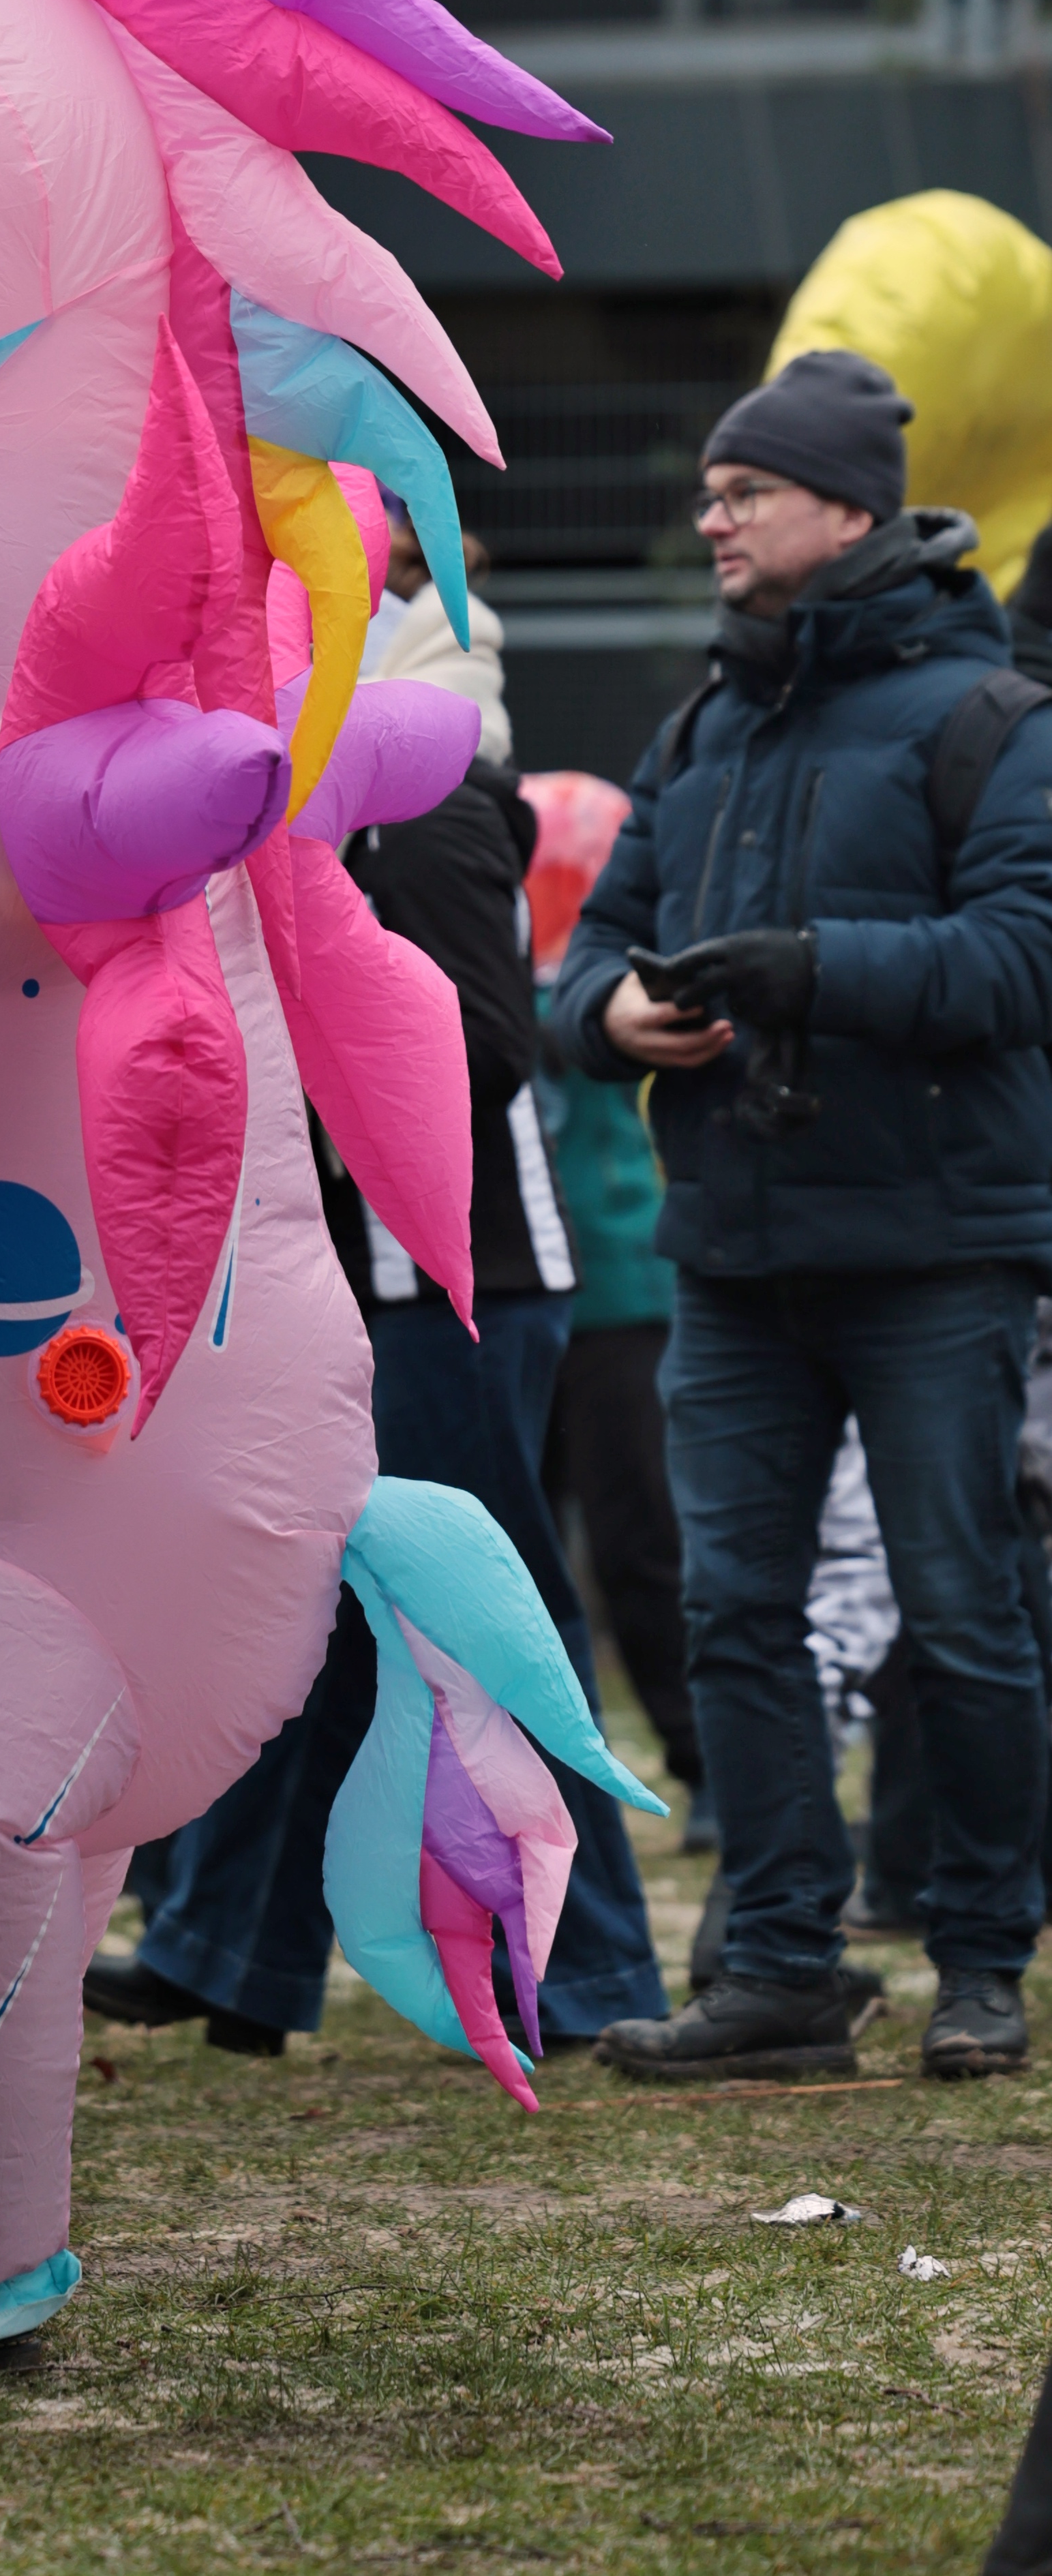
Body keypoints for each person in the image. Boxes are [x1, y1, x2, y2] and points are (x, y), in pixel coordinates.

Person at [556, 350, 1052, 2085]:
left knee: (962, 1609)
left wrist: (808, 973)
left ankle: (982, 1960)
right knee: (729, 1613)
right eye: (708, 490)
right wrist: (616, 1017)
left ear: (844, 509)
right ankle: (775, 1967)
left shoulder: (995, 721)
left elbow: (1019, 960)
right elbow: (579, 965)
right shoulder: (699, 725)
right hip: (736, 1255)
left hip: (933, 1255)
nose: (711, 518)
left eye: (742, 491)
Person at [87, 584, 667, 2057]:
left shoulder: (440, 815)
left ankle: (596, 1971)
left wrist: (292, 1046)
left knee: (491, 1617)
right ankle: (233, 1953)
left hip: (458, 1286)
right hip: (337, 1281)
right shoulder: (276, 830)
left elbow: (484, 1052)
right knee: (303, 1612)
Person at [522, 768, 708, 1846]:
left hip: (621, 1290)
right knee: (537, 1541)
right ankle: (559, 1774)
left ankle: (701, 1764)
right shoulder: (514, 975)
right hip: (532, 1290)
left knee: (642, 1542)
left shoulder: (620, 983)